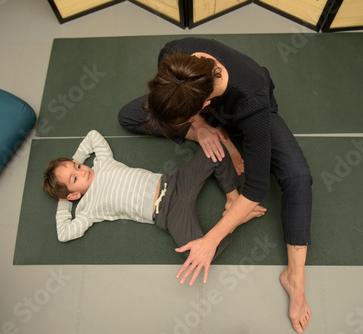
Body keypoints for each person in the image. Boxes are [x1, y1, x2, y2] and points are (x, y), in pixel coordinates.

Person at [118, 37, 313, 333]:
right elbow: (172, 109)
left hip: (247, 116)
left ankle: (295, 278)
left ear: (205, 102)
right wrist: (200, 127)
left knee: (298, 175)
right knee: (129, 115)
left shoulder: (253, 100)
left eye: (189, 118)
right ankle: (216, 135)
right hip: (206, 114)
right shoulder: (172, 55)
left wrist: (210, 241)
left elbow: (257, 189)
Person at [42, 130, 266, 258]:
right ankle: (236, 219)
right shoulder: (86, 210)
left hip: (174, 182)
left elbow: (92, 137)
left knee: (215, 150)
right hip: (168, 213)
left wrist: (75, 162)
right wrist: (64, 199)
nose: (82, 171)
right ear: (72, 196)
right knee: (195, 254)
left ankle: (233, 199)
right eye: (75, 179)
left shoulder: (103, 163)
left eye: (78, 167)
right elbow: (64, 232)